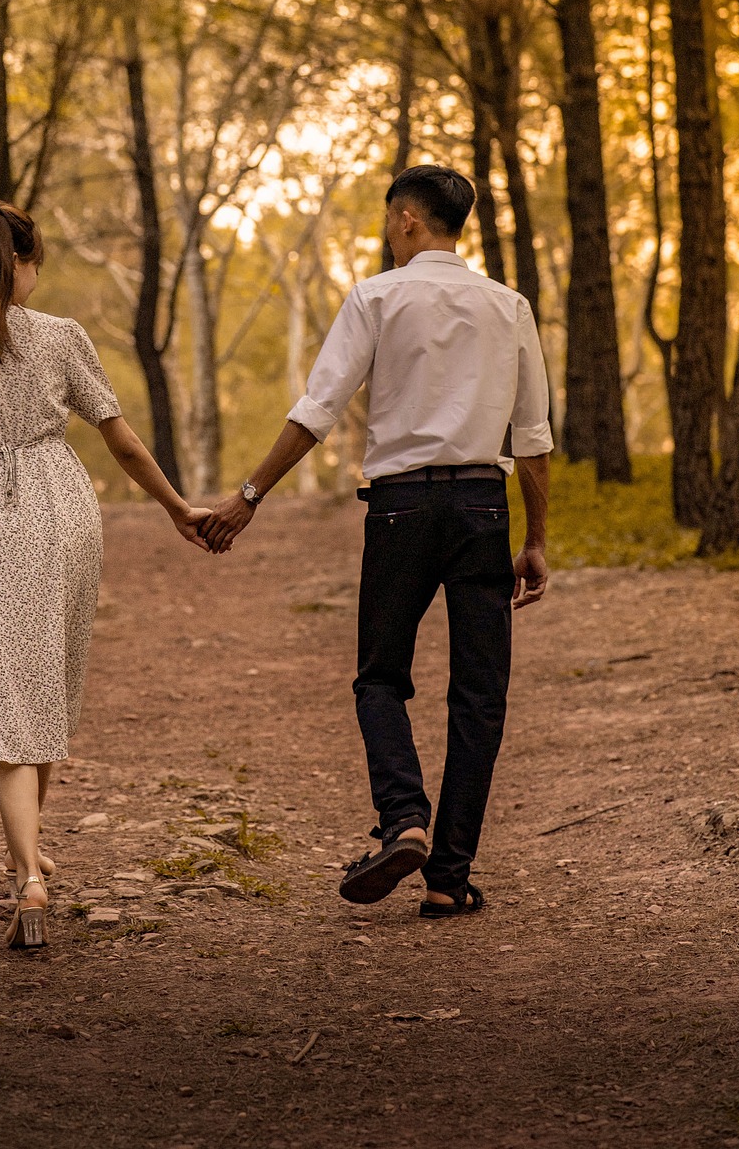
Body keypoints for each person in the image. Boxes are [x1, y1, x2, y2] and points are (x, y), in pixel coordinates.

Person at [200, 164, 552, 919]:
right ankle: (449, 877)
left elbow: (318, 409)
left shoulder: (378, 297)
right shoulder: (509, 306)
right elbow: (532, 439)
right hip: (484, 509)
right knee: (480, 695)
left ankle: (404, 819)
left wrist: (249, 497)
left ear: (406, 221)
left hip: (399, 510)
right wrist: (537, 541)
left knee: (380, 677)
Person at [0, 201, 209, 951]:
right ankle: (28, 855)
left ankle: (26, 874)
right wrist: (175, 506)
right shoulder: (60, 337)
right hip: (64, 506)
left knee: (6, 696)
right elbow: (121, 439)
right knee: (49, 685)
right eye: (35, 262)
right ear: (17, 265)